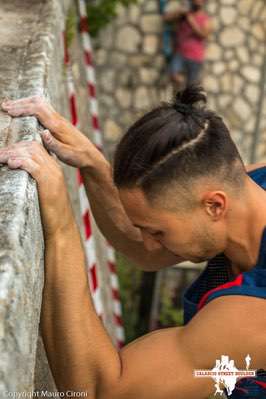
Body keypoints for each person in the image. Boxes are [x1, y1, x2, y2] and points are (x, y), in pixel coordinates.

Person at [1, 86, 266, 398]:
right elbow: (146, 251)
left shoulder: (254, 313)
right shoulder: (245, 188)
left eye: (158, 232)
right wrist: (94, 165)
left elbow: (101, 391)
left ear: (214, 206)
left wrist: (59, 226)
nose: (149, 243)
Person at [163, 0, 212, 87]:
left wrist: (191, 21)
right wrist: (180, 12)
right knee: (173, 74)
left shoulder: (205, 19)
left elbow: (204, 35)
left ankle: (186, 95)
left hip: (195, 56)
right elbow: (166, 19)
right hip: (180, 53)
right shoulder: (184, 15)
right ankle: (181, 89)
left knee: (191, 86)